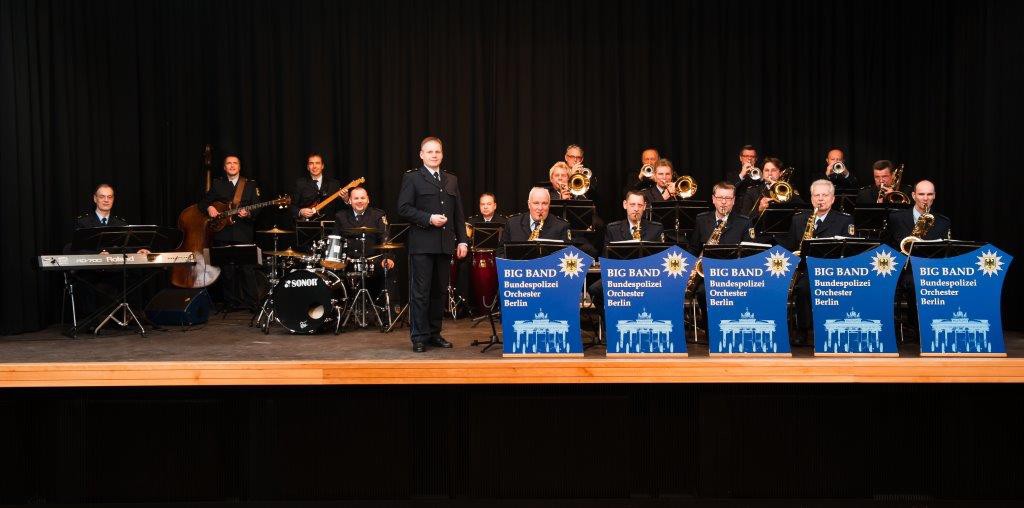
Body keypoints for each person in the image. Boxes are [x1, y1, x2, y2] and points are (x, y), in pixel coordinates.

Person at [397, 137, 469, 353]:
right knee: (421, 293)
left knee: (439, 292)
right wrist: (428, 218)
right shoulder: (412, 178)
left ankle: (434, 333)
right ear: (422, 155)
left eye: (437, 151)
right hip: (422, 245)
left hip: (445, 244)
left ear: (442, 154)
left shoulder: (451, 179)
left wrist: (463, 240)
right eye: (429, 152)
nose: (434, 155)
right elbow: (403, 208)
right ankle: (419, 337)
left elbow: (458, 213)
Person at [785, 179, 855, 345]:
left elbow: (849, 250)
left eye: (825, 195)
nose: (820, 199)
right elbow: (790, 246)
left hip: (833, 270)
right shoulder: (798, 219)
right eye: (817, 195)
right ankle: (803, 330)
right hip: (805, 269)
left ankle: (829, 329)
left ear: (833, 199)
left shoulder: (844, 220)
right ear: (811, 199)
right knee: (803, 288)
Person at [199, 154, 261, 312]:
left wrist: (248, 213)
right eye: (229, 163)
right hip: (223, 232)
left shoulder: (250, 184)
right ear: (224, 167)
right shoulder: (217, 184)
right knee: (227, 271)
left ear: (239, 167)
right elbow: (203, 203)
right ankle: (231, 303)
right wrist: (209, 207)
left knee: (247, 269)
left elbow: (257, 207)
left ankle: (252, 304)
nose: (232, 166)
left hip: (243, 232)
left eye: (235, 163)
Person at [587, 190, 664, 310]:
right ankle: (610, 319)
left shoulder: (655, 229)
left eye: (639, 205)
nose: (636, 209)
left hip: (647, 277)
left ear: (644, 207)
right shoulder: (613, 229)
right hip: (620, 276)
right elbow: (605, 258)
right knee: (594, 289)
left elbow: (660, 259)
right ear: (625, 205)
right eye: (632, 205)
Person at [333, 187, 396, 301]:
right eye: (356, 198)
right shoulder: (340, 216)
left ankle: (385, 307)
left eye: (362, 198)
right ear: (350, 200)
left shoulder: (378, 215)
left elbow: (385, 238)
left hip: (373, 262)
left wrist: (387, 257)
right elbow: (336, 240)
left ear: (368, 200)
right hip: (348, 263)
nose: (360, 201)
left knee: (389, 268)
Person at [884, 180, 951, 250]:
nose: (925, 198)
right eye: (921, 194)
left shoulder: (943, 222)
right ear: (913, 195)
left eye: (929, 194)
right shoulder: (896, 218)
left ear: (934, 195)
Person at [738, 156, 805, 225]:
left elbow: (803, 208)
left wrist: (781, 188)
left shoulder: (788, 188)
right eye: (766, 170)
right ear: (762, 173)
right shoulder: (752, 191)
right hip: (760, 230)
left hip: (785, 229)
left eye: (773, 170)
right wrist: (759, 210)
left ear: (780, 173)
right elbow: (743, 219)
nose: (770, 173)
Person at [501, 187, 571, 248]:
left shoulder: (561, 226)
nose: (540, 208)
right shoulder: (512, 223)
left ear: (549, 205)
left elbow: (566, 254)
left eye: (544, 203)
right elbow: (501, 251)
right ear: (529, 204)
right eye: (536, 203)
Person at [292, 153, 344, 221]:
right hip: (307, 225)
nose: (314, 166)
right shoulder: (300, 183)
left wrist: (345, 199)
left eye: (317, 163)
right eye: (311, 163)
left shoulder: (334, 184)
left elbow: (340, 208)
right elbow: (292, 206)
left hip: (330, 225)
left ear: (322, 166)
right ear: (308, 167)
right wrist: (300, 211)